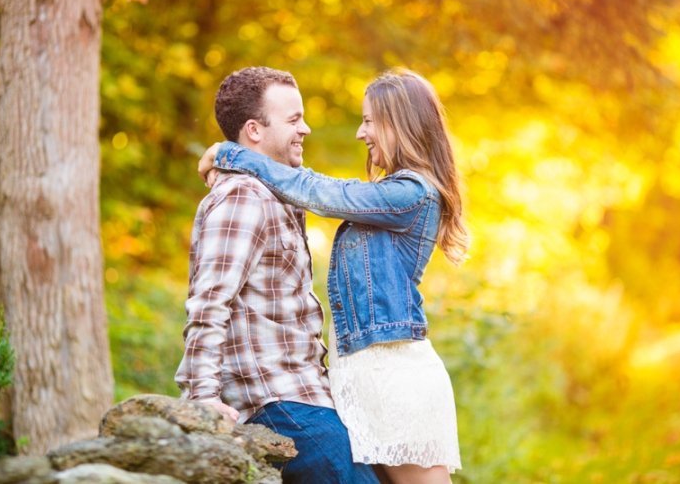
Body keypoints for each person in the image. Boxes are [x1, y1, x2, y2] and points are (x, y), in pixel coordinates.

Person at [200, 68, 468, 484]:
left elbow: (322, 192)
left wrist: (230, 154)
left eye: (369, 121)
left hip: (394, 377)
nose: (362, 133)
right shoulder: (387, 194)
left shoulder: (410, 194)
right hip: (356, 383)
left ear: (401, 124)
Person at [175, 66, 380, 484]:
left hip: (305, 398)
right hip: (276, 401)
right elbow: (210, 301)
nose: (305, 129)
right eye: (293, 120)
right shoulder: (243, 197)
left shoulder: (279, 193)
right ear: (254, 130)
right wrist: (201, 396)